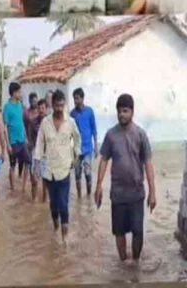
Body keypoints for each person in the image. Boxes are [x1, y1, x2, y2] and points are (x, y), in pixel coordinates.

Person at [95, 94, 156, 263]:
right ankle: (123, 264)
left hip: (137, 193)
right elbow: (104, 160)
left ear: (132, 112)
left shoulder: (140, 135)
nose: (121, 114)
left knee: (138, 231)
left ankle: (135, 263)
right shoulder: (111, 135)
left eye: (125, 111)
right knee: (119, 231)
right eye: (119, 111)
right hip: (118, 194)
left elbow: (148, 163)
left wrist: (153, 192)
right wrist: (98, 185)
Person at [34, 90, 81, 243]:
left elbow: (77, 138)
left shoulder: (71, 122)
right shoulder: (45, 123)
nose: (60, 109)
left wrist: (76, 156)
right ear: (52, 105)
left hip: (64, 169)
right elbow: (40, 143)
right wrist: (37, 163)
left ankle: (65, 239)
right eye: (57, 105)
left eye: (62, 105)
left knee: (63, 203)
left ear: (64, 105)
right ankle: (55, 228)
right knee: (53, 205)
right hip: (49, 170)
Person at [70, 88, 98, 197]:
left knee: (87, 172)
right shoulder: (72, 114)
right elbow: (70, 133)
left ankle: (89, 195)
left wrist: (96, 146)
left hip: (87, 148)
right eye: (74, 99)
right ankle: (79, 196)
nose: (75, 101)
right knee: (77, 173)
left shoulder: (89, 111)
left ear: (82, 98)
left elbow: (94, 129)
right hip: (76, 149)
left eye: (77, 98)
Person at [3, 82, 29, 191]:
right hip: (13, 142)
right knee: (13, 166)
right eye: (19, 92)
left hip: (22, 140)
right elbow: (5, 127)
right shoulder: (7, 107)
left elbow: (22, 122)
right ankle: (12, 189)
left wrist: (26, 137)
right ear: (13, 93)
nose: (21, 93)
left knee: (27, 162)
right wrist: (8, 145)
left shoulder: (20, 105)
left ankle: (23, 187)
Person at [23, 92, 40, 196]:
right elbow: (24, 127)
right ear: (29, 101)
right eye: (33, 101)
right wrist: (25, 140)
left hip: (41, 146)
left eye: (36, 101)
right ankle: (32, 198)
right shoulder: (26, 113)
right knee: (32, 173)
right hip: (30, 145)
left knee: (41, 174)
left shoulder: (40, 112)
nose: (35, 103)